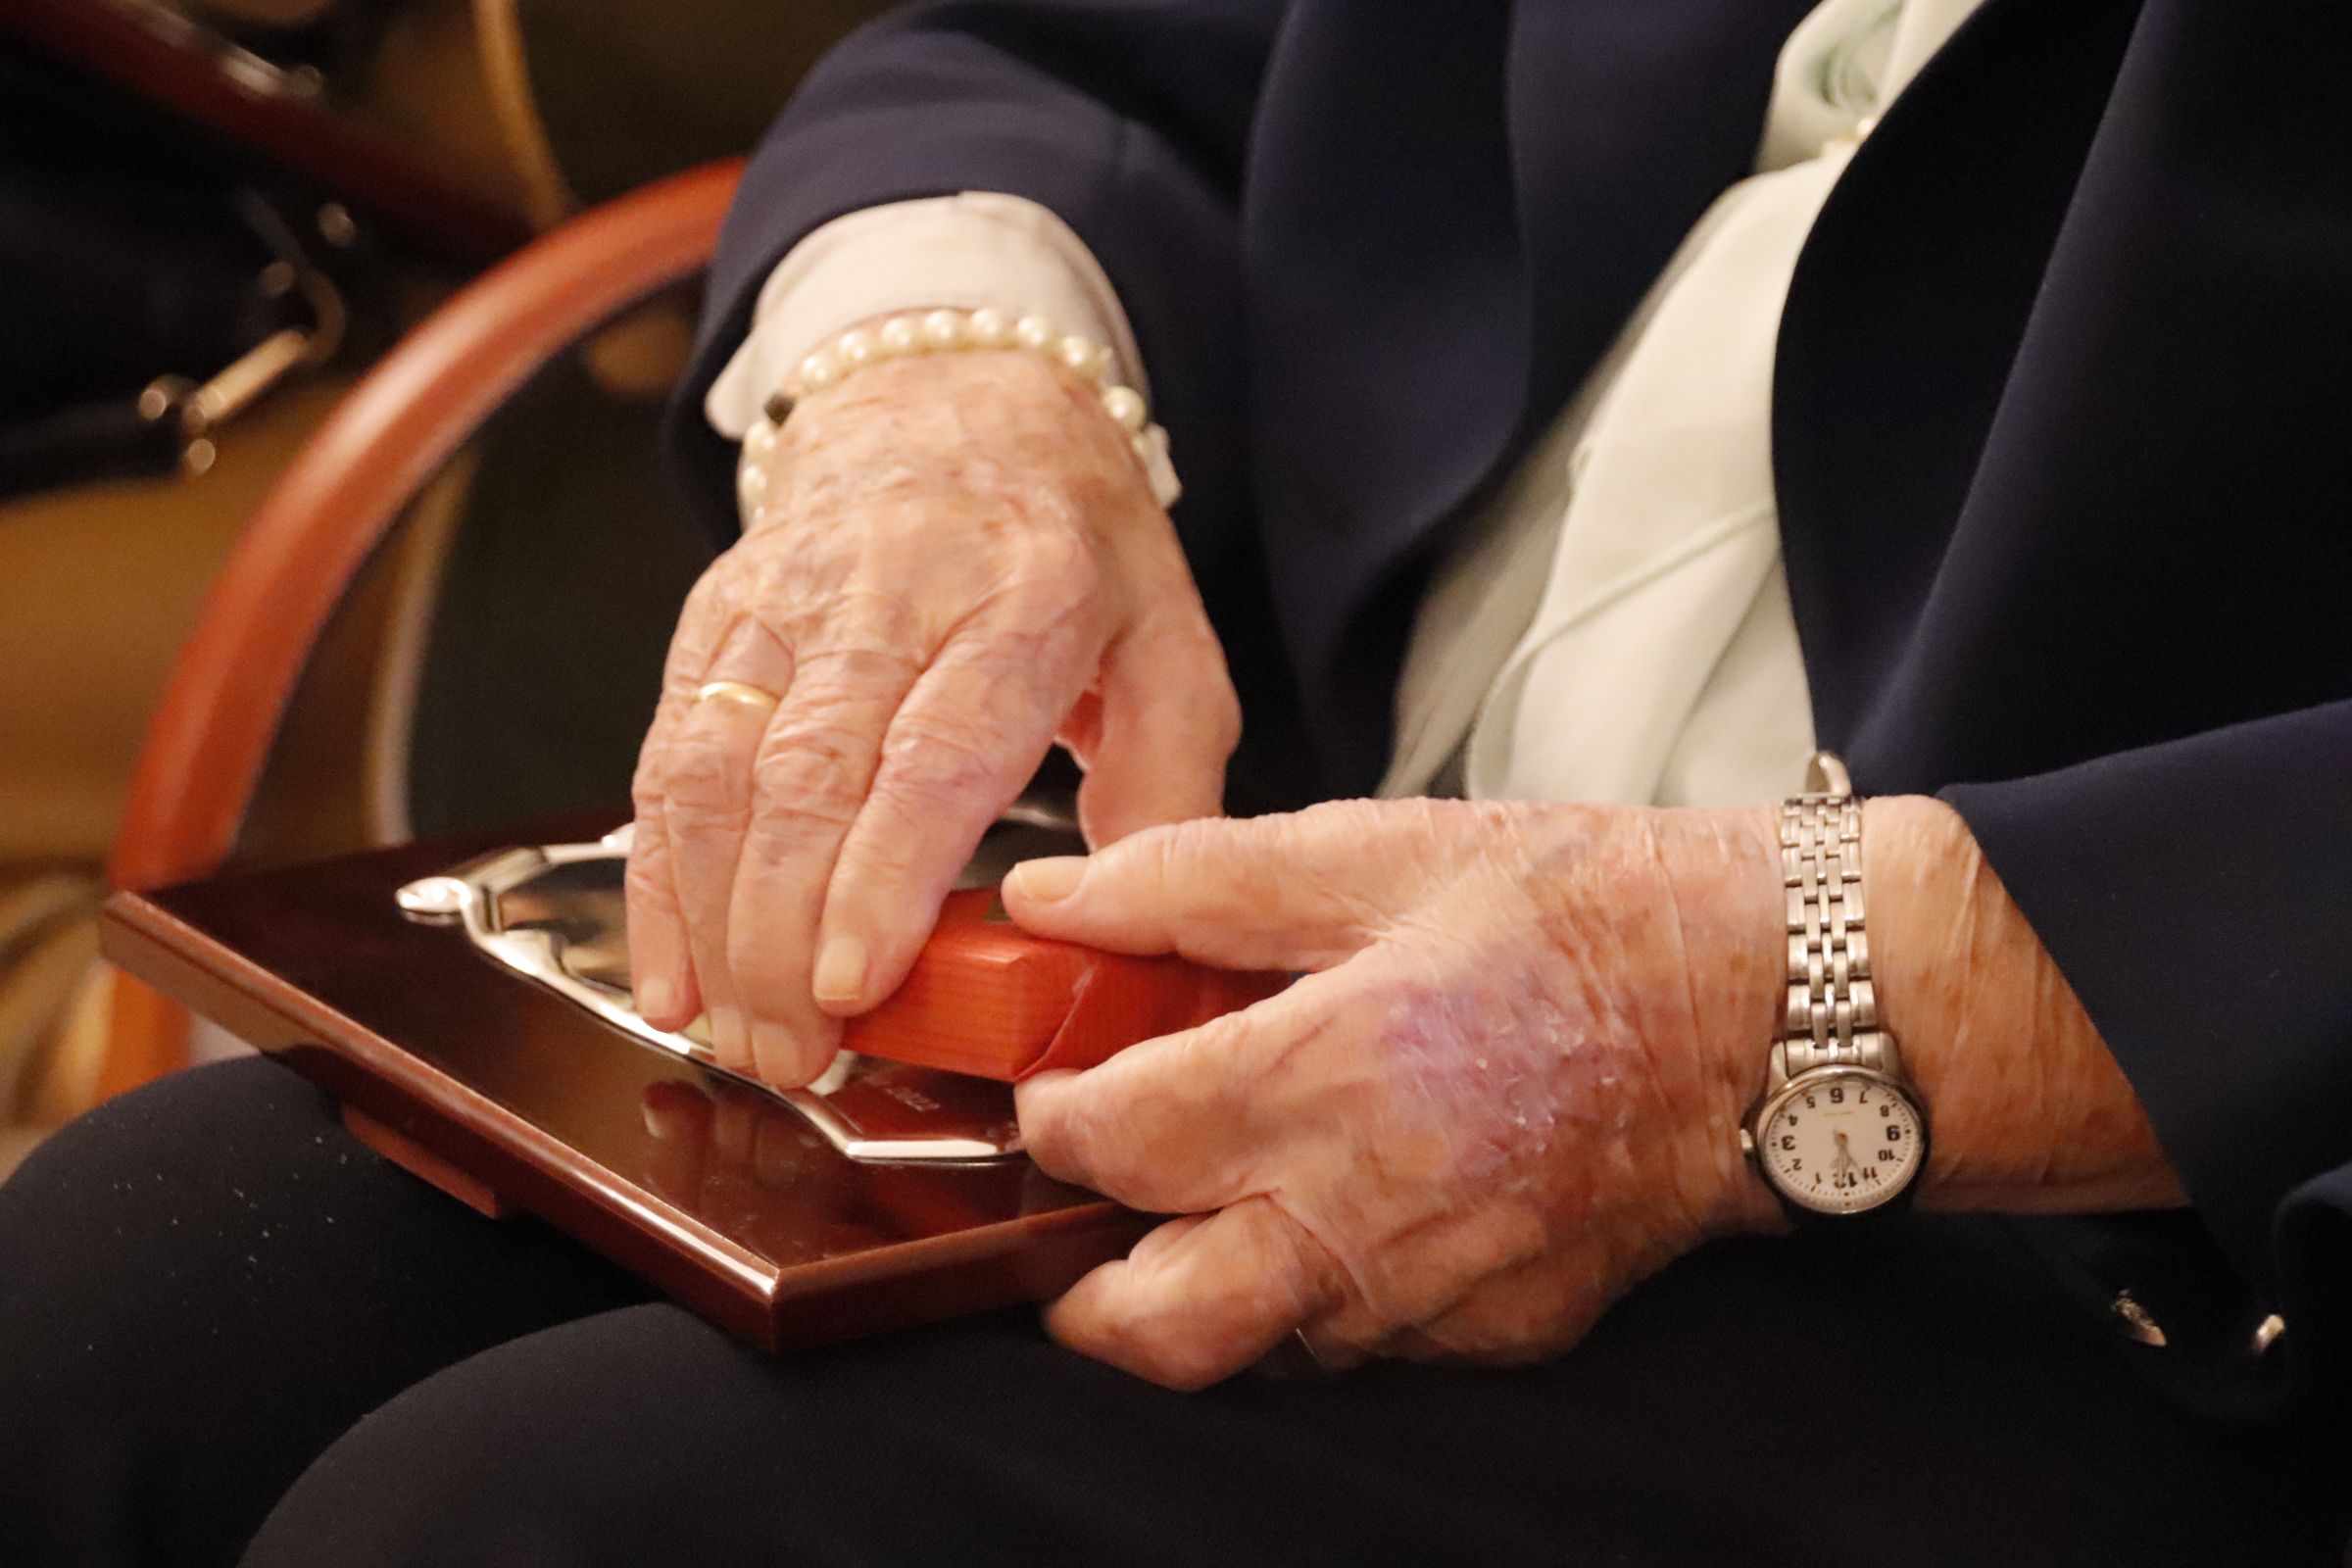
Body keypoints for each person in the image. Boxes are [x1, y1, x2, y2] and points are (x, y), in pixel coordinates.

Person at [4, 0, 2348, 1563]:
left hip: (2148, 1223)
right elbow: (1076, 49)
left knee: (534, 1521)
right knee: (110, 1304)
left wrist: (1777, 999)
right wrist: (961, 383)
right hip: (1321, 941)